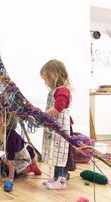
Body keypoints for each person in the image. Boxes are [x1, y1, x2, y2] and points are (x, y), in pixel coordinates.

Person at [40, 59, 76, 190]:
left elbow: (58, 108)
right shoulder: (56, 90)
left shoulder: (63, 91)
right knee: (56, 153)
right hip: (57, 129)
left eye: (46, 79)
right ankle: (56, 179)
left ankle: (61, 180)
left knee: (61, 154)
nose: (45, 82)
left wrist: (43, 115)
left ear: (53, 76)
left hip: (63, 129)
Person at [0, 112, 42, 183]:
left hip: (23, 158)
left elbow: (11, 158)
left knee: (13, 173)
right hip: (12, 156)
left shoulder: (11, 136)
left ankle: (31, 167)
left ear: (6, 121)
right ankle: (14, 171)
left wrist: (10, 178)